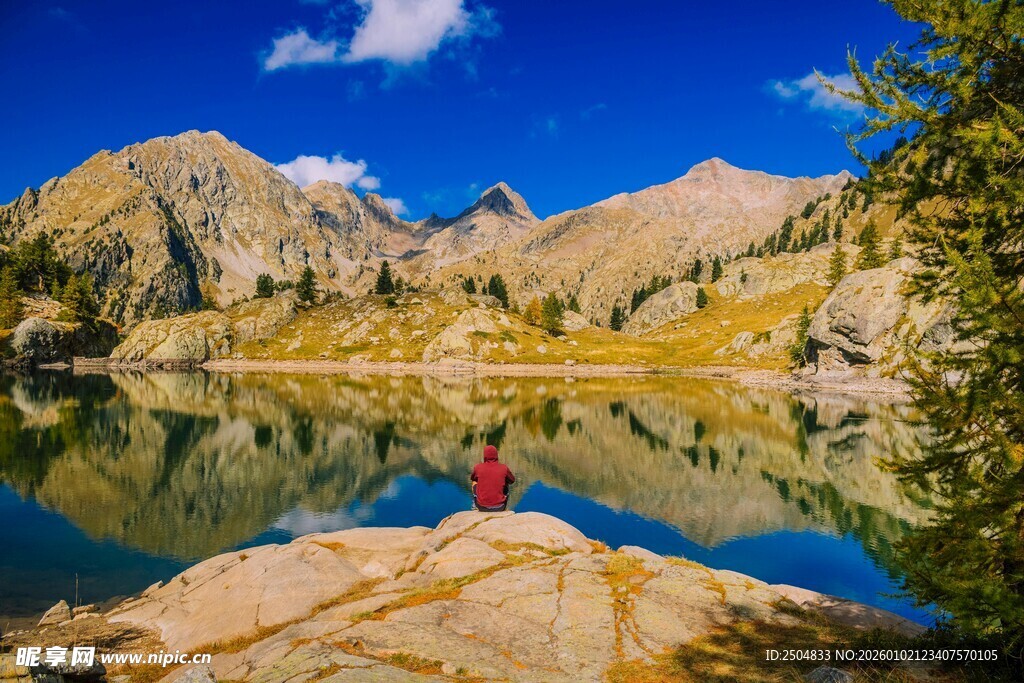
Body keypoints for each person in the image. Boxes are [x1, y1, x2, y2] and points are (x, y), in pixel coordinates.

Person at [470, 445, 516, 511]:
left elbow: (473, 478)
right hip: (500, 507)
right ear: (496, 455)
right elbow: (512, 480)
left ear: (485, 455)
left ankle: (475, 505)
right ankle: (502, 502)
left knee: (474, 482)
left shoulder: (478, 467)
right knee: (506, 481)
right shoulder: (504, 468)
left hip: (481, 507)